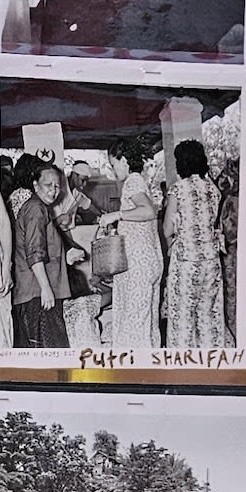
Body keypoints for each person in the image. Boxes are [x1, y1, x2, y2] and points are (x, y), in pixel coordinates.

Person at [96, 136, 163, 350]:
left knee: (134, 323)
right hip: (150, 261)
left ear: (124, 160)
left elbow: (148, 211)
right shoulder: (140, 180)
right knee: (148, 322)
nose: (113, 171)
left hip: (137, 265)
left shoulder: (132, 181)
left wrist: (116, 215)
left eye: (114, 165)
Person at [163, 140, 227, 349]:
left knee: (182, 317)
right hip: (211, 261)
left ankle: (181, 368)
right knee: (209, 316)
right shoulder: (213, 189)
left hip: (186, 262)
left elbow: (167, 230)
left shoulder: (178, 190)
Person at [12, 161, 74, 349]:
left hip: (38, 294)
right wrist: (46, 289)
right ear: (35, 185)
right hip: (37, 295)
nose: (53, 191)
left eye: (57, 186)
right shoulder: (35, 208)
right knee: (48, 356)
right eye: (48, 185)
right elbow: (34, 252)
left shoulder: (39, 208)